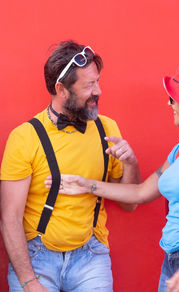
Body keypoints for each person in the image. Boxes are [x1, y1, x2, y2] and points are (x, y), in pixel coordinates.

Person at [47, 56, 179, 292]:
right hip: (174, 259)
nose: (169, 104)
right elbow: (141, 192)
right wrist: (86, 185)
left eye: (173, 99)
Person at [0, 40, 141, 292]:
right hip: (37, 258)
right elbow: (10, 217)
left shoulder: (107, 129)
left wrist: (130, 163)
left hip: (91, 255)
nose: (98, 91)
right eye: (89, 85)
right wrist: (29, 281)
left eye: (97, 81)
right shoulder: (25, 137)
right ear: (61, 89)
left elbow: (129, 204)